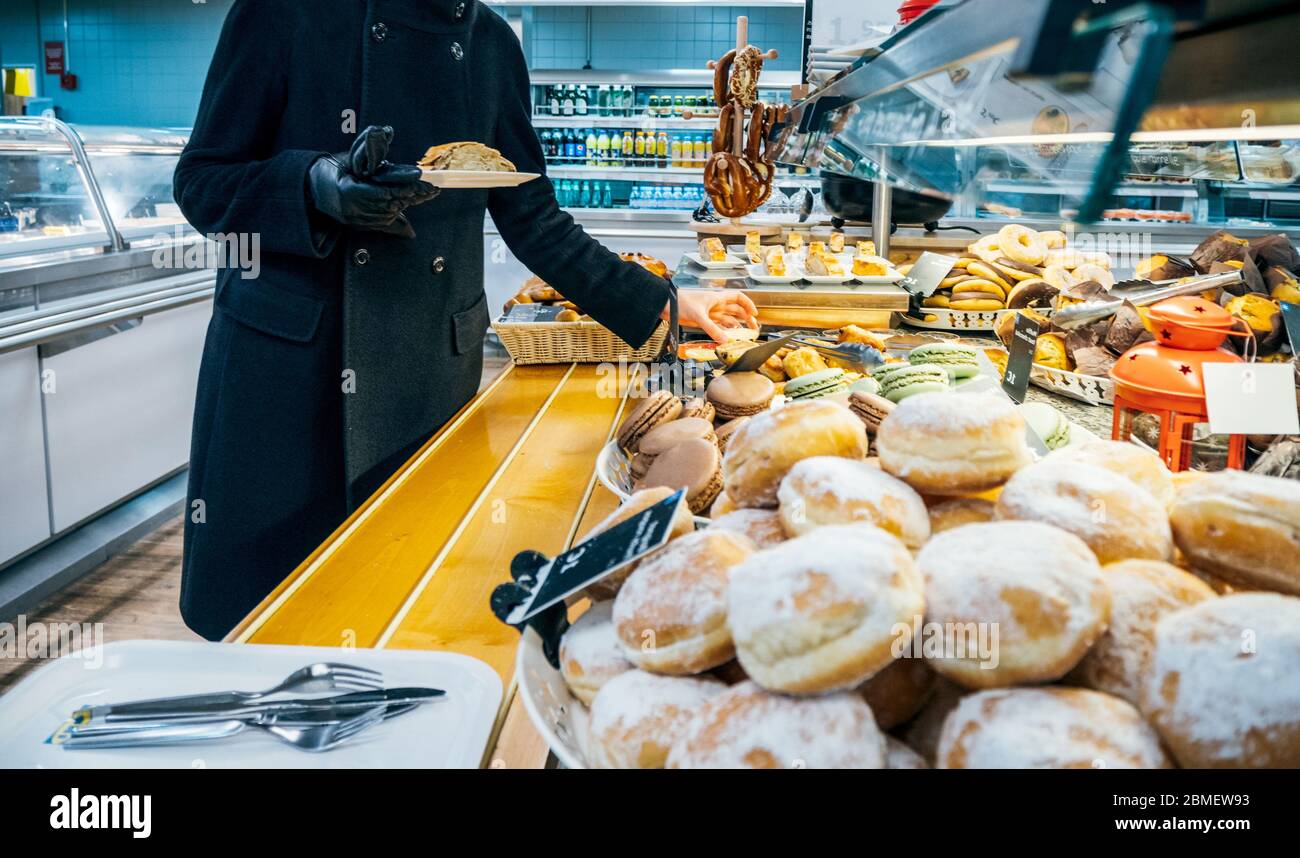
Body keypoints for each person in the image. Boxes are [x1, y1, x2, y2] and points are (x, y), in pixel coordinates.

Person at [173, 0, 756, 639]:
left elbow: (533, 216)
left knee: (401, 599)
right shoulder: (286, 13)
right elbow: (202, 181)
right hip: (292, 370)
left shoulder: (489, 42)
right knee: (269, 619)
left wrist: (662, 302)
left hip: (423, 366)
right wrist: (315, 185)